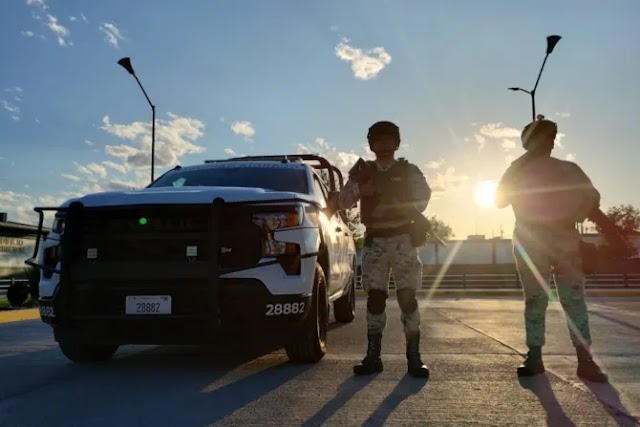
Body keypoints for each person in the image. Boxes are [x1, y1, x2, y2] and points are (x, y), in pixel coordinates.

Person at [495, 115, 608, 382]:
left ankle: (585, 360)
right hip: (530, 238)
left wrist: (578, 215)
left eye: (548, 137)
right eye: (536, 138)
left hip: (565, 238)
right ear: (526, 143)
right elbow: (499, 200)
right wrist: (518, 166)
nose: (544, 143)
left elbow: (592, 199)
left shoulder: (568, 169)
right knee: (535, 299)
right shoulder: (517, 169)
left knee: (574, 300)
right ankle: (534, 357)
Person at [339, 120, 432, 378]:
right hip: (375, 241)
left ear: (396, 142)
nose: (383, 144)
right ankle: (373, 356)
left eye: (388, 139)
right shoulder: (362, 171)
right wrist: (362, 189)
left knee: (407, 298)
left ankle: (414, 357)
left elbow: (423, 198)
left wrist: (400, 202)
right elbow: (344, 200)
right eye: (378, 139)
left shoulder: (408, 170)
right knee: (375, 298)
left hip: (402, 239)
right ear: (371, 144)